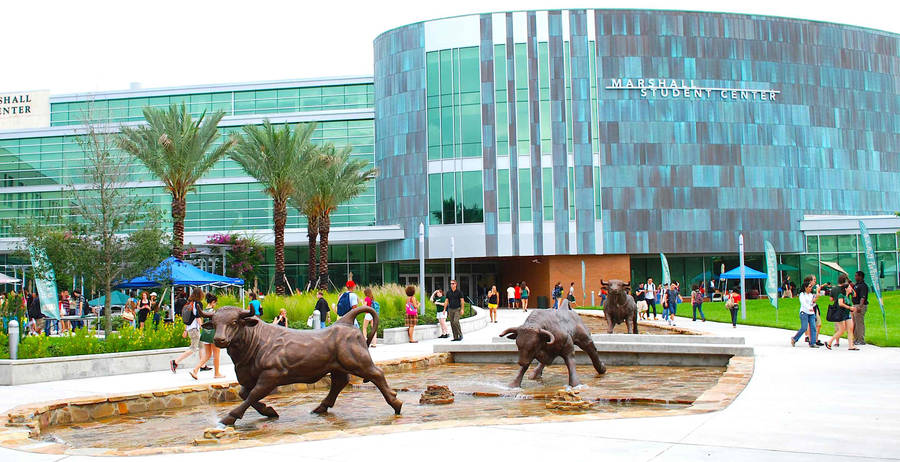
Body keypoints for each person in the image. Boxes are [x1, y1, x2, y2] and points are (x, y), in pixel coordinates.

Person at [170, 288, 209, 376]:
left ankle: (202, 365)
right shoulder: (198, 304)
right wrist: (203, 327)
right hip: (195, 329)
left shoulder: (189, 303)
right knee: (193, 348)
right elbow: (198, 316)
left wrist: (185, 330)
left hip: (191, 328)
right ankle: (175, 362)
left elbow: (188, 318)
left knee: (201, 346)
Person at [192, 293, 225, 379]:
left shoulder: (204, 311)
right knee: (216, 355)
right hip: (213, 335)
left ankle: (195, 369)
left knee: (207, 355)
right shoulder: (213, 312)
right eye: (215, 303)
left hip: (205, 334)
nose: (215, 305)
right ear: (213, 302)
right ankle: (217, 373)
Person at [826, 277, 858, 351]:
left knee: (850, 329)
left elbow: (854, 294)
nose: (851, 288)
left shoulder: (847, 296)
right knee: (841, 330)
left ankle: (851, 345)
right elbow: (840, 304)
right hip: (841, 314)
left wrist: (851, 307)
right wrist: (849, 308)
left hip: (847, 314)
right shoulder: (841, 295)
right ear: (846, 289)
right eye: (849, 287)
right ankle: (829, 342)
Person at [791, 280, 819, 348]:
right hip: (804, 313)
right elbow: (803, 303)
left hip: (811, 313)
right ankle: (794, 339)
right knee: (804, 327)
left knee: (813, 327)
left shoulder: (811, 295)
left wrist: (814, 303)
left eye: (811, 287)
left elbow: (812, 303)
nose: (810, 288)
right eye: (809, 287)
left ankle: (812, 343)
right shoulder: (802, 295)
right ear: (805, 287)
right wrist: (809, 307)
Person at [852, 271, 869, 345]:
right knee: (855, 323)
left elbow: (863, 297)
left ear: (860, 277)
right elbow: (853, 286)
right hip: (855, 305)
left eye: (856, 276)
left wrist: (860, 306)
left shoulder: (863, 286)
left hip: (860, 306)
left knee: (859, 323)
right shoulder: (857, 285)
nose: (855, 277)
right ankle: (856, 339)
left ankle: (861, 339)